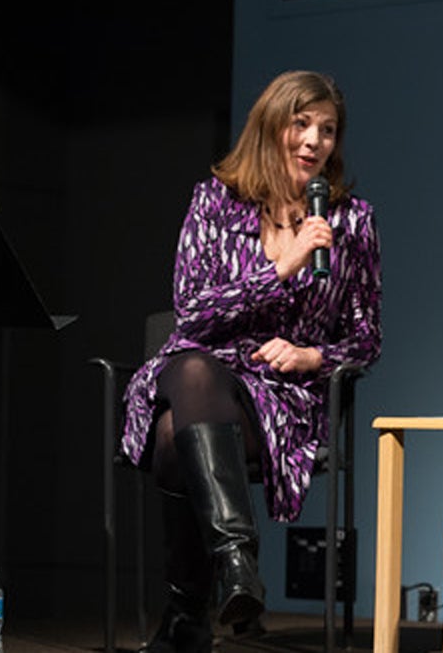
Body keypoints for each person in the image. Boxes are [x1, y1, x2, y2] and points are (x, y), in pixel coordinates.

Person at [120, 69, 382, 652]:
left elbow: (366, 337)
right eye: (301, 124)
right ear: (271, 127)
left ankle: (188, 617)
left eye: (328, 130)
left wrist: (314, 353)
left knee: (171, 439)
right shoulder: (214, 202)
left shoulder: (351, 221)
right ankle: (237, 560)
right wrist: (280, 268)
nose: (315, 141)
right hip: (203, 374)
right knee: (193, 370)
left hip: (284, 403)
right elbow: (192, 315)